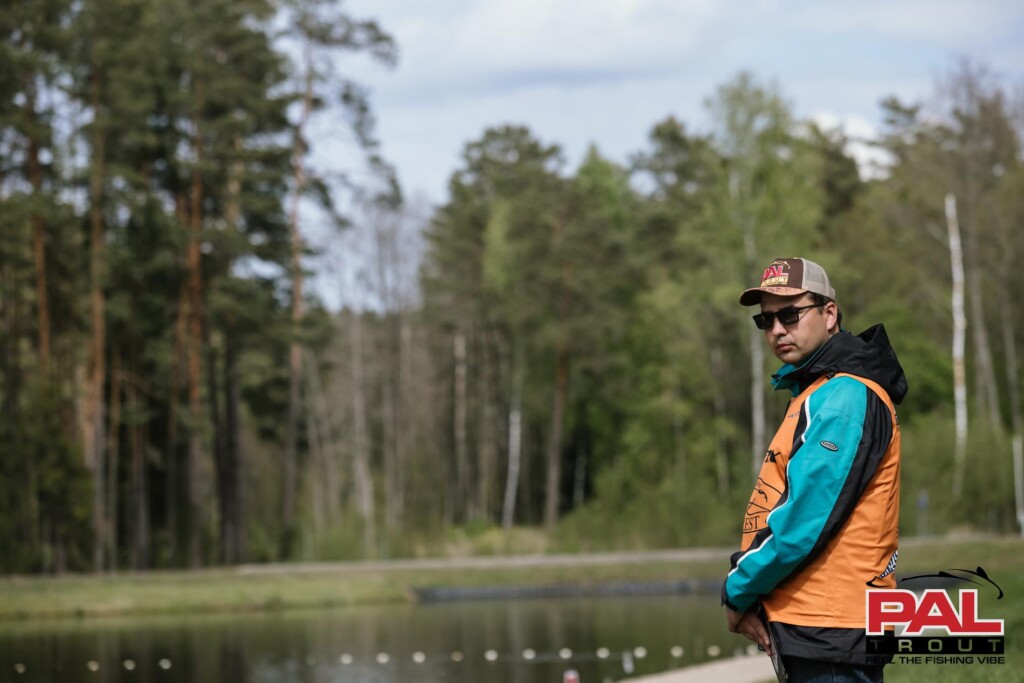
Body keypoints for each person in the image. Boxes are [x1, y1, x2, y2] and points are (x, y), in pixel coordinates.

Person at [722, 257, 907, 682]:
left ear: (829, 314)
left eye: (790, 315)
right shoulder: (818, 391)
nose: (777, 329)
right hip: (818, 625)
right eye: (766, 320)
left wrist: (737, 589)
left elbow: (801, 524)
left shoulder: (845, 396)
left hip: (832, 627)